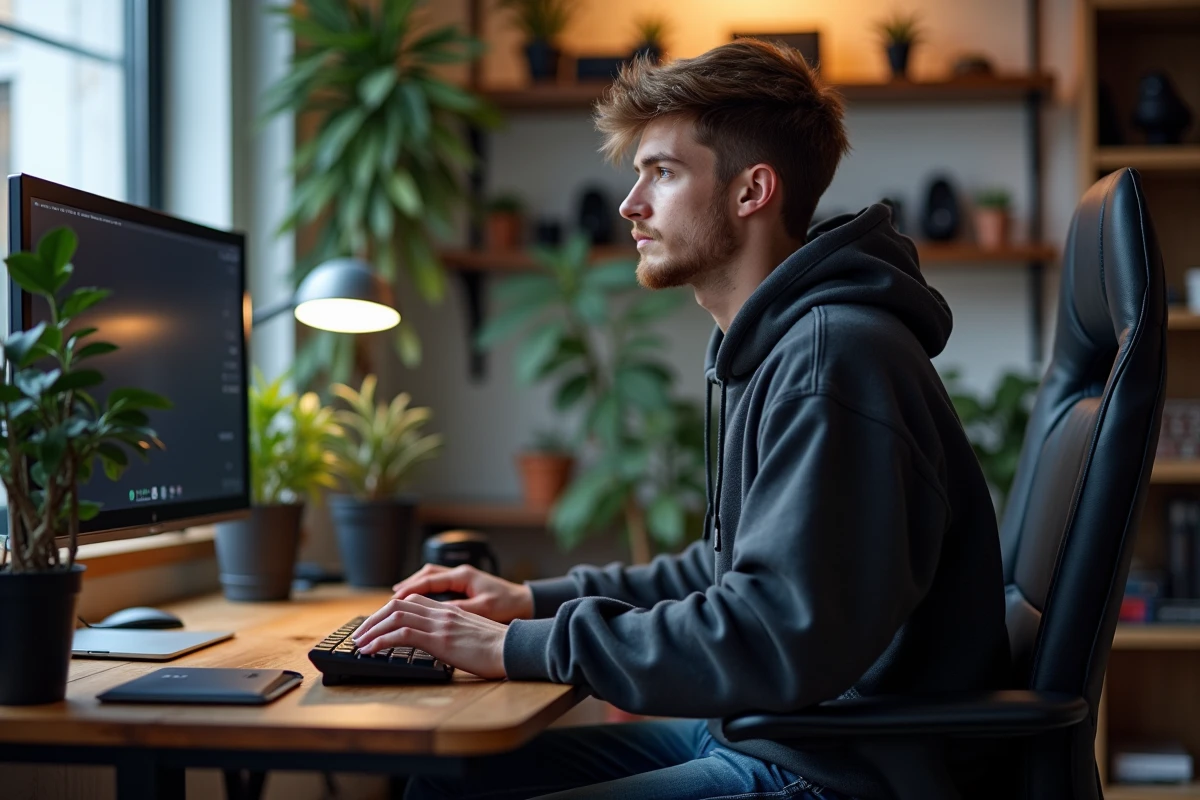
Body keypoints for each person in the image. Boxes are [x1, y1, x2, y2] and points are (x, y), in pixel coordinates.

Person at [351, 38, 1010, 800]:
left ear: (750, 191)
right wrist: (528, 602)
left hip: (835, 770)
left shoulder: (831, 361)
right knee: (448, 782)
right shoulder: (778, 345)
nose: (631, 204)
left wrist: (523, 646)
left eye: (661, 172)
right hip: (779, 730)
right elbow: (722, 574)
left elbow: (771, 630)